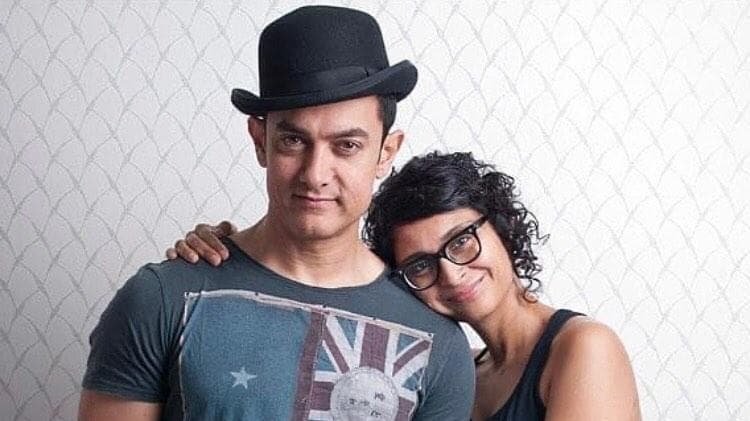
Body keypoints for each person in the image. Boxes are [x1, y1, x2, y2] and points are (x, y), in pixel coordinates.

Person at [79, 6, 474, 421]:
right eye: (293, 141)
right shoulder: (161, 298)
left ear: (385, 153)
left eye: (347, 146)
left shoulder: (437, 343)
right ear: (259, 140)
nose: (315, 174)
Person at [171, 151, 642, 420]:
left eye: (461, 242)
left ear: (500, 226)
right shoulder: (455, 366)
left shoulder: (584, 347)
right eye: (421, 265)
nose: (451, 274)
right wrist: (236, 259)